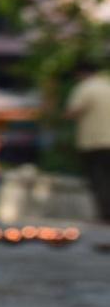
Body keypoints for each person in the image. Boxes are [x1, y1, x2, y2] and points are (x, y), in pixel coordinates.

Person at [65, 63, 110, 222]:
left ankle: (105, 215)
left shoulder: (85, 88)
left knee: (98, 179)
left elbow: (72, 112)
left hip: (93, 142)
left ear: (81, 73)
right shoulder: (107, 85)